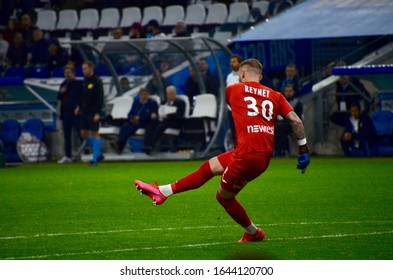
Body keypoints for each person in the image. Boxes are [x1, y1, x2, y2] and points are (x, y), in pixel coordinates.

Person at [135, 58, 310, 242]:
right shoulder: (276, 95)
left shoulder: (233, 89)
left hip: (246, 156)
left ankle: (253, 232)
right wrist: (303, 149)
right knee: (208, 168)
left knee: (224, 197)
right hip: (261, 155)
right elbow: (296, 121)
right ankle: (162, 191)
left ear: (242, 74)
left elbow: (235, 108)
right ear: (261, 76)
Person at [110, 88, 159, 155]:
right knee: (125, 125)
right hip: (134, 120)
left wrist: (140, 118)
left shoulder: (152, 103)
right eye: (142, 95)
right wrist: (131, 117)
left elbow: (151, 115)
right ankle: (120, 146)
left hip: (145, 122)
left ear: (148, 95)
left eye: (145, 95)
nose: (143, 96)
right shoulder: (136, 102)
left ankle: (119, 142)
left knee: (134, 126)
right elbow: (130, 113)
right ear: (139, 95)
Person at [74, 60, 104, 166]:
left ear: (91, 68)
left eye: (85, 68)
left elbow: (100, 98)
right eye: (83, 69)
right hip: (84, 111)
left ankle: (95, 159)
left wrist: (98, 112)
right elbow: (83, 96)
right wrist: (79, 106)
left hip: (93, 111)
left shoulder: (97, 80)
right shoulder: (85, 80)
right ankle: (99, 153)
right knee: (84, 134)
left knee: (95, 133)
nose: (83, 71)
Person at [143, 85, 186, 154]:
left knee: (160, 126)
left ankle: (152, 145)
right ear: (166, 94)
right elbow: (158, 112)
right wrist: (155, 115)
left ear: (175, 94)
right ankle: (146, 145)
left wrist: (168, 116)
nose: (170, 96)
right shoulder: (163, 103)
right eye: (169, 94)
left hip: (174, 122)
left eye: (172, 94)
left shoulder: (180, 103)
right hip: (162, 121)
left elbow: (179, 114)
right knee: (149, 126)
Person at [57, 64, 83, 163]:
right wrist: (61, 92)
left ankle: (85, 153)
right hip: (66, 114)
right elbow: (58, 97)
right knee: (67, 136)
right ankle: (68, 156)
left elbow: (82, 97)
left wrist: (79, 107)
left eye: (69, 72)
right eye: (65, 73)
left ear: (73, 73)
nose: (67, 75)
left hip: (75, 113)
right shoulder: (63, 84)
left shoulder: (78, 84)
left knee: (80, 133)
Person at [274, 83, 303, 157]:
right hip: (280, 123)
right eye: (286, 91)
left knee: (279, 128)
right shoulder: (280, 102)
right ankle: (276, 151)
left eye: (290, 91)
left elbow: (297, 118)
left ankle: (282, 151)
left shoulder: (297, 103)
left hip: (292, 125)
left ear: (293, 92)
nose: (288, 93)